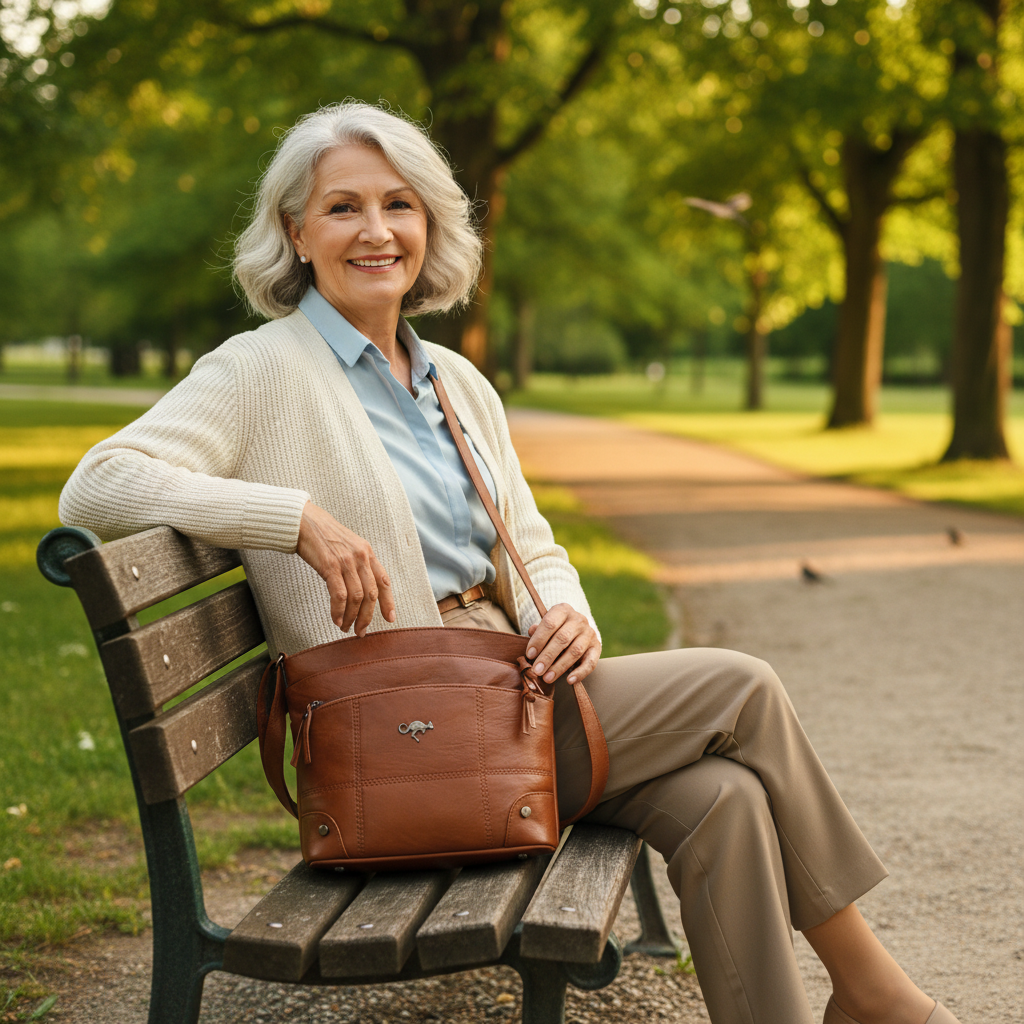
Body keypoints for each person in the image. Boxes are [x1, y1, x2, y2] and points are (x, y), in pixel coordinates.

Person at [59, 102, 961, 1024]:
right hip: (409, 741)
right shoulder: (260, 372)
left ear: (430, 223)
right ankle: (875, 991)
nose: (376, 231)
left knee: (722, 800)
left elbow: (531, 545)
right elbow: (98, 484)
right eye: (342, 208)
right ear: (295, 232)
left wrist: (564, 612)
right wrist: (292, 518)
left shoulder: (455, 382)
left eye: (399, 204)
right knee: (743, 687)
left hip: (505, 697)